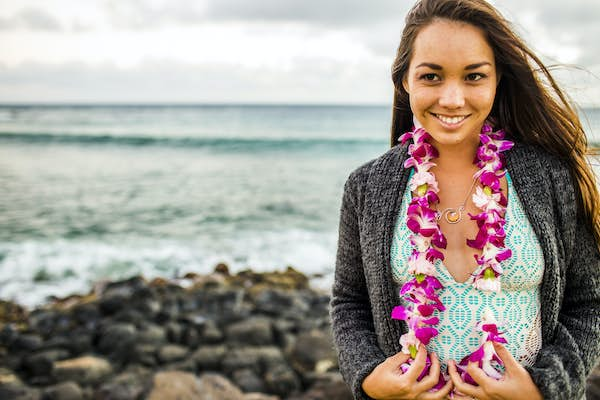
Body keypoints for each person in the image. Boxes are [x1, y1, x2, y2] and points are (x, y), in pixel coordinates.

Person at [329, 0, 600, 399]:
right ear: (405, 80)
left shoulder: (550, 178)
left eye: (474, 76)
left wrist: (543, 389)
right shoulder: (367, 187)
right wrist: (369, 378)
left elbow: (589, 301)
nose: (452, 99)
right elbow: (349, 303)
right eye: (432, 77)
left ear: (497, 80)